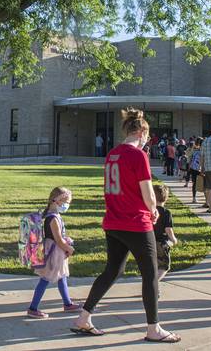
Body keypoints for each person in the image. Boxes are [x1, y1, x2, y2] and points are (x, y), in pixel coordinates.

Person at [72, 108, 180, 343]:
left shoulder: (112, 154)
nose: (147, 142)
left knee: (113, 270)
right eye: (147, 137)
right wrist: (153, 212)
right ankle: (154, 328)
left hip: (113, 221)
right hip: (136, 222)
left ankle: (84, 317)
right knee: (150, 274)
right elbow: (148, 192)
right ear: (141, 132)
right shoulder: (138, 155)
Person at [26, 187, 82, 319]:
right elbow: (58, 240)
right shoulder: (53, 219)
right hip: (54, 253)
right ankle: (32, 308)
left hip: (56, 252)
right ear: (57, 201)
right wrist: (69, 248)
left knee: (62, 277)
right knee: (45, 279)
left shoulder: (53, 216)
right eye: (66, 202)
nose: (67, 205)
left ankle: (67, 304)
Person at [153, 184, 178, 283]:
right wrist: (173, 239)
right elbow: (168, 229)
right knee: (164, 266)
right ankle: (153, 284)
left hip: (149, 241)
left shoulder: (150, 211)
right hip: (161, 243)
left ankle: (149, 284)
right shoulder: (166, 212)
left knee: (153, 265)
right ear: (166, 198)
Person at [187, 138, 203, 203]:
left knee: (195, 183)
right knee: (204, 183)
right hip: (201, 169)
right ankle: (206, 200)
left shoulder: (195, 150)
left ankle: (194, 198)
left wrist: (189, 167)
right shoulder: (204, 151)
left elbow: (190, 158)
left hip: (194, 168)